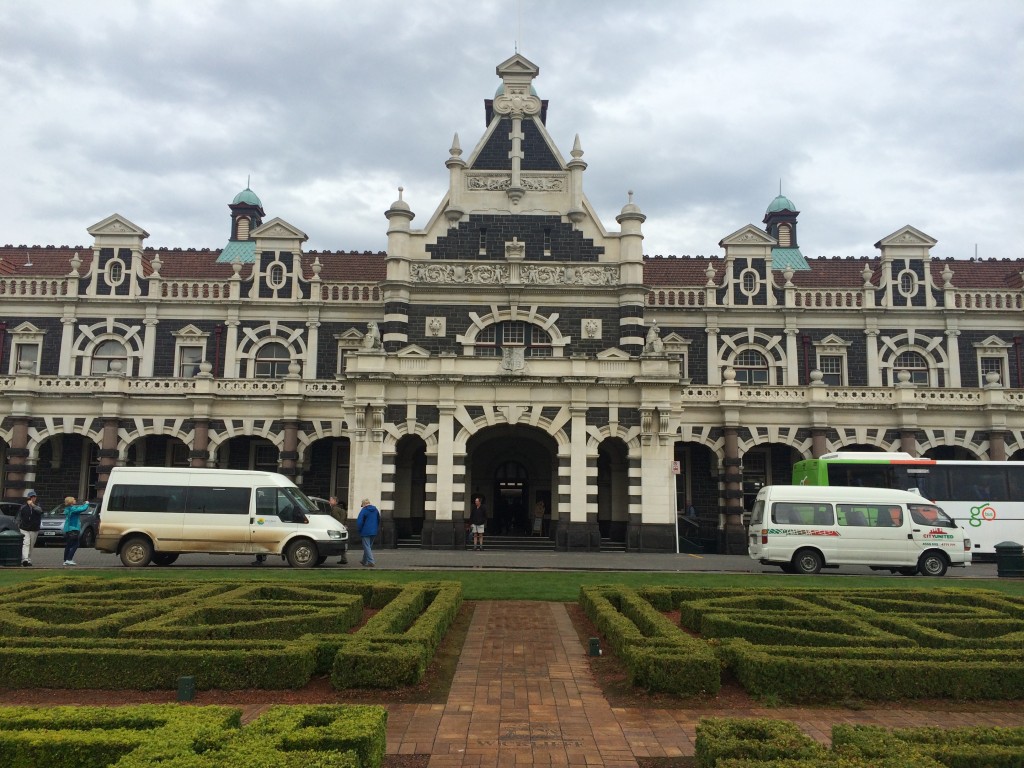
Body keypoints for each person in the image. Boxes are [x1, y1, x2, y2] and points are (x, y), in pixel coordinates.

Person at [16, 489, 43, 567]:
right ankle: (25, 559)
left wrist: (33, 505)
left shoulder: (38, 505)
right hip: (24, 528)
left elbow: (40, 511)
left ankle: (28, 558)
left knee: (31, 544)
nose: (33, 498)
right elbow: (19, 516)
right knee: (26, 543)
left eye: (34, 497)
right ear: (28, 498)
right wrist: (18, 525)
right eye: (31, 497)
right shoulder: (23, 506)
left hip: (34, 528)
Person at [62, 495, 91, 566]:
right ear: (71, 502)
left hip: (68, 529)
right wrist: (87, 503)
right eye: (74, 499)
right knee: (76, 544)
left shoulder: (68, 509)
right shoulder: (73, 509)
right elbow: (82, 509)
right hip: (74, 528)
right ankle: (69, 559)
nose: (75, 500)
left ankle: (65, 560)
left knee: (68, 545)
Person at [356, 497, 380, 567]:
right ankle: (364, 561)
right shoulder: (375, 510)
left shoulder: (364, 510)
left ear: (363, 504)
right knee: (368, 547)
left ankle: (371, 561)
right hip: (374, 531)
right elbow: (378, 519)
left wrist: (360, 530)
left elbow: (360, 522)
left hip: (365, 531)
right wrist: (376, 527)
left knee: (366, 546)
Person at [329, 495, 348, 565]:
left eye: (331, 500)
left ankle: (344, 559)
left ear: (335, 501)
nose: (329, 502)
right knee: (343, 543)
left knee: (341, 543)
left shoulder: (334, 509)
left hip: (339, 528)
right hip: (343, 527)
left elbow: (336, 519)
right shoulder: (339, 509)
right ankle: (344, 558)